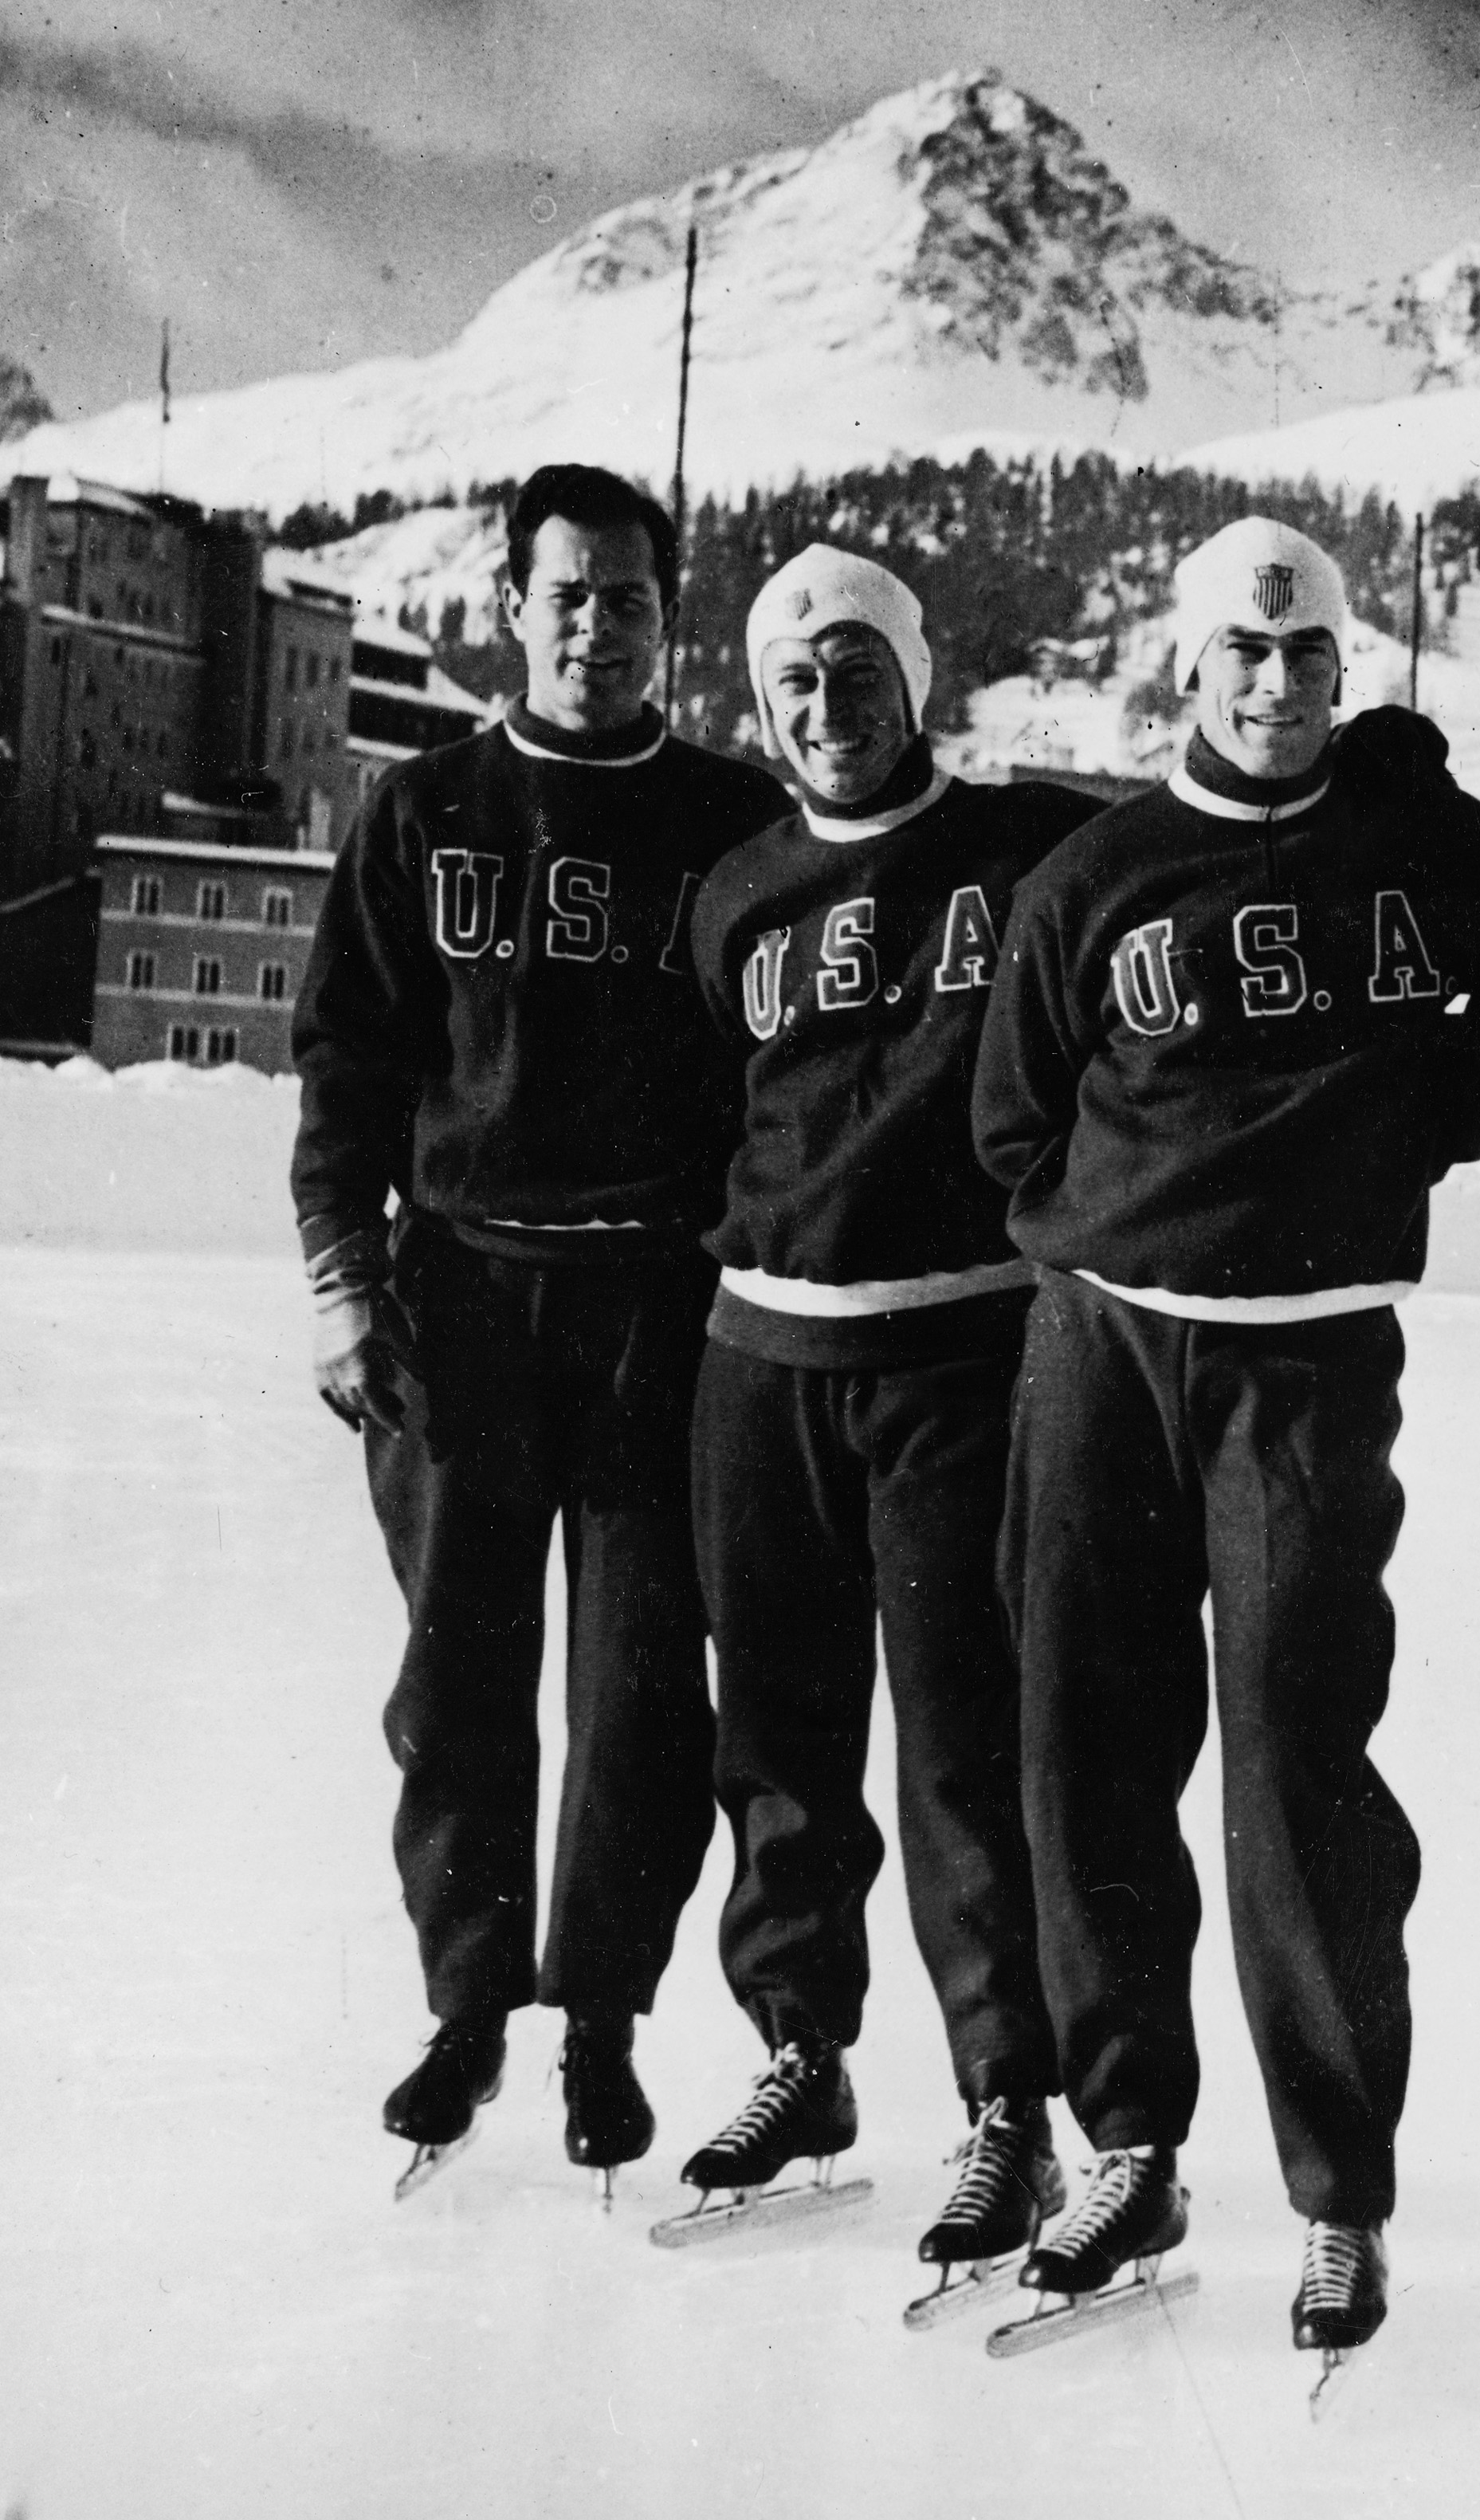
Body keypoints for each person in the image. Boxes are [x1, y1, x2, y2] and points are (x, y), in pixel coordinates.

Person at [971, 517, 1480, 2373]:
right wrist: (1115, 1239)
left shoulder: (1404, 856)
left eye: (1306, 662)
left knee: (1299, 1775)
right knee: (1088, 1749)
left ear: (1343, 675)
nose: (1274, 689)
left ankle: (1338, 2193)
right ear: (1182, 670)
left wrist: (1412, 1125)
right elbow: (1012, 1117)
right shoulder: (1099, 873)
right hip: (1106, 1351)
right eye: (1239, 658)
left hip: (1302, 1371)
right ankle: (1127, 2141)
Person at [291, 463, 790, 2191]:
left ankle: (602, 2025)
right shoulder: (423, 810)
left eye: (632, 598)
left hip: (661, 1300)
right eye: (567, 594)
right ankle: (464, 2006)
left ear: (672, 618)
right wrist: (343, 1287)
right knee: (459, 1673)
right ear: (511, 604)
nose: (599, 627)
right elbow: (346, 1066)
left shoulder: (734, 823)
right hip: (461, 1296)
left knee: (647, 1681)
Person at [669, 547, 1088, 2286]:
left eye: (858, 670)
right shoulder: (735, 896)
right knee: (775, 1730)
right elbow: (710, 1108)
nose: (831, 708)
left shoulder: (1027, 845)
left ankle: (1006, 2103)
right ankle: (802, 2053)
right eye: (797, 684)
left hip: (954, 1359)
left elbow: (1219, 823)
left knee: (961, 1745)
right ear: (763, 712)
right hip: (763, 1357)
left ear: (915, 682)